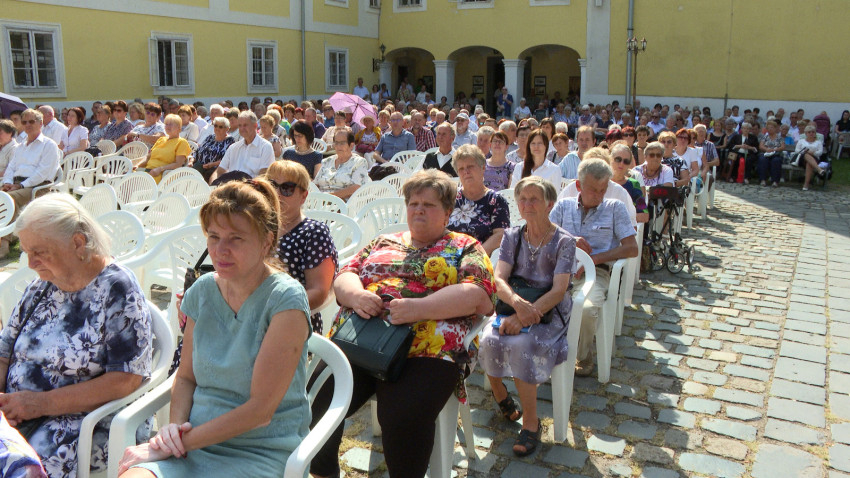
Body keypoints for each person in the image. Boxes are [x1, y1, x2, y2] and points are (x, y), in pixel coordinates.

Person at [308, 169, 495, 478]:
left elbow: (479, 296)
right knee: (317, 395)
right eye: (413, 203)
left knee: (402, 415)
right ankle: (323, 472)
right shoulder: (383, 241)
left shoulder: (465, 246)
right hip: (363, 340)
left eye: (429, 205)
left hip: (428, 349)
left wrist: (419, 309)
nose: (418, 209)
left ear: (447, 212)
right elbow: (345, 275)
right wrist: (356, 296)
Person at [119, 179, 312, 477]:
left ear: (266, 241)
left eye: (236, 238)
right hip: (192, 445)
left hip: (260, 451)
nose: (221, 250)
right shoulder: (203, 290)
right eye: (214, 236)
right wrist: (173, 432)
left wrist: (176, 444)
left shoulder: (284, 299)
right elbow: (185, 377)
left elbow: (260, 412)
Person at [1, 194, 151, 477]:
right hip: (21, 412)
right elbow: (4, 353)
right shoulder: (41, 286)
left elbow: (125, 380)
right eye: (27, 251)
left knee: (23, 468)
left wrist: (38, 404)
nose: (30, 263)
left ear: (78, 243)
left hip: (86, 420)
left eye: (39, 252)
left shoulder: (117, 288)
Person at [478, 176, 575, 457]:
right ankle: (500, 394)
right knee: (487, 339)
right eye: (522, 199)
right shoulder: (512, 236)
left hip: (548, 311)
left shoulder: (564, 241)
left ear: (549, 204)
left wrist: (525, 317)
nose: (527, 204)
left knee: (521, 344)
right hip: (514, 304)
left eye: (534, 199)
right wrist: (517, 305)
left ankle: (531, 423)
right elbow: (498, 279)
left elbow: (559, 290)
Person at [550, 158, 638, 377]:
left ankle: (583, 355)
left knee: (587, 309)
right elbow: (543, 236)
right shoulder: (563, 206)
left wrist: (595, 259)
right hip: (559, 271)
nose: (599, 195)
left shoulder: (615, 208)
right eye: (593, 190)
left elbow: (632, 248)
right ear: (578, 185)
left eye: (603, 189)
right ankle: (544, 350)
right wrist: (570, 239)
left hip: (597, 273)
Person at [266, 161, 338, 335]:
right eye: (272, 186)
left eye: (287, 188)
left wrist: (271, 311)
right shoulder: (257, 226)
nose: (277, 193)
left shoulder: (314, 232)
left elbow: (318, 292)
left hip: (291, 322)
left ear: (303, 196)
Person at [1, 109, 61, 225]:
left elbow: (42, 173)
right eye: (24, 122)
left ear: (40, 123)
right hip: (16, 184)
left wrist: (21, 185)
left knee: (8, 199)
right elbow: (11, 168)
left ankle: (7, 235)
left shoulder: (49, 145)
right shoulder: (21, 146)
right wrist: (7, 182)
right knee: (4, 197)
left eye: (31, 121)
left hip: (37, 187)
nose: (27, 125)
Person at [447, 144, 510, 255]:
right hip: (449, 256)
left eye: (470, 166)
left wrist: (475, 255)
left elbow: (500, 235)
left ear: (483, 168)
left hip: (480, 257)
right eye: (461, 169)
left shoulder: (496, 200)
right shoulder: (450, 198)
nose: (466, 171)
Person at [209, 111, 275, 184]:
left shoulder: (265, 147)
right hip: (231, 187)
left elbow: (263, 176)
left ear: (255, 126)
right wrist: (212, 185)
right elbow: (220, 170)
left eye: (245, 125)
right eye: (240, 125)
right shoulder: (233, 148)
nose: (242, 128)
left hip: (253, 188)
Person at [314, 128, 369, 200]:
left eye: (342, 143)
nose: (338, 146)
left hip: (343, 203)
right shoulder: (327, 161)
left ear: (351, 145)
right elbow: (315, 184)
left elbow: (356, 187)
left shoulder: (359, 162)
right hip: (320, 201)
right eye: (336, 143)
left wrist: (330, 197)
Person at [135, 114, 191, 184]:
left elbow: (178, 164)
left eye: (171, 124)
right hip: (147, 171)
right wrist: (137, 165)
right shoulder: (161, 139)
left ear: (179, 128)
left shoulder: (182, 142)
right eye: (166, 124)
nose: (168, 126)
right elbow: (148, 158)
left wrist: (160, 169)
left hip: (162, 175)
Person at [609, 144, 649, 223]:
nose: (621, 163)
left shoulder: (634, 185)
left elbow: (644, 215)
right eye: (618, 159)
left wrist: (618, 217)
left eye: (626, 161)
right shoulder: (600, 181)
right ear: (610, 159)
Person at [193, 116, 235, 183]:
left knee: (206, 174)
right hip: (200, 165)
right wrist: (191, 160)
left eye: (220, 127)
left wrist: (212, 164)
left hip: (215, 169)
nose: (217, 128)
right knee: (192, 170)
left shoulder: (230, 141)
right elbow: (198, 151)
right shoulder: (210, 137)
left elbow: (228, 159)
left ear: (227, 129)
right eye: (215, 126)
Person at [797, 125, 826, 191]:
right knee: (806, 155)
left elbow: (820, 152)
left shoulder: (818, 142)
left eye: (813, 132)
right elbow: (797, 150)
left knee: (809, 163)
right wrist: (805, 151)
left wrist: (813, 153)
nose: (811, 133)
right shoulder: (801, 141)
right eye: (809, 132)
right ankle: (819, 170)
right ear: (806, 133)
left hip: (814, 159)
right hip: (802, 159)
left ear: (815, 133)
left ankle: (806, 184)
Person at [757, 120, 785, 187]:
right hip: (766, 153)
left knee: (776, 161)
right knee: (762, 160)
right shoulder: (765, 137)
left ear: (775, 128)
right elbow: (761, 146)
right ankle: (763, 180)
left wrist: (776, 149)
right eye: (768, 128)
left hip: (776, 154)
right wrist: (766, 149)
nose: (770, 129)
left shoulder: (779, 137)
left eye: (772, 127)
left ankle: (775, 181)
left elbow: (783, 147)